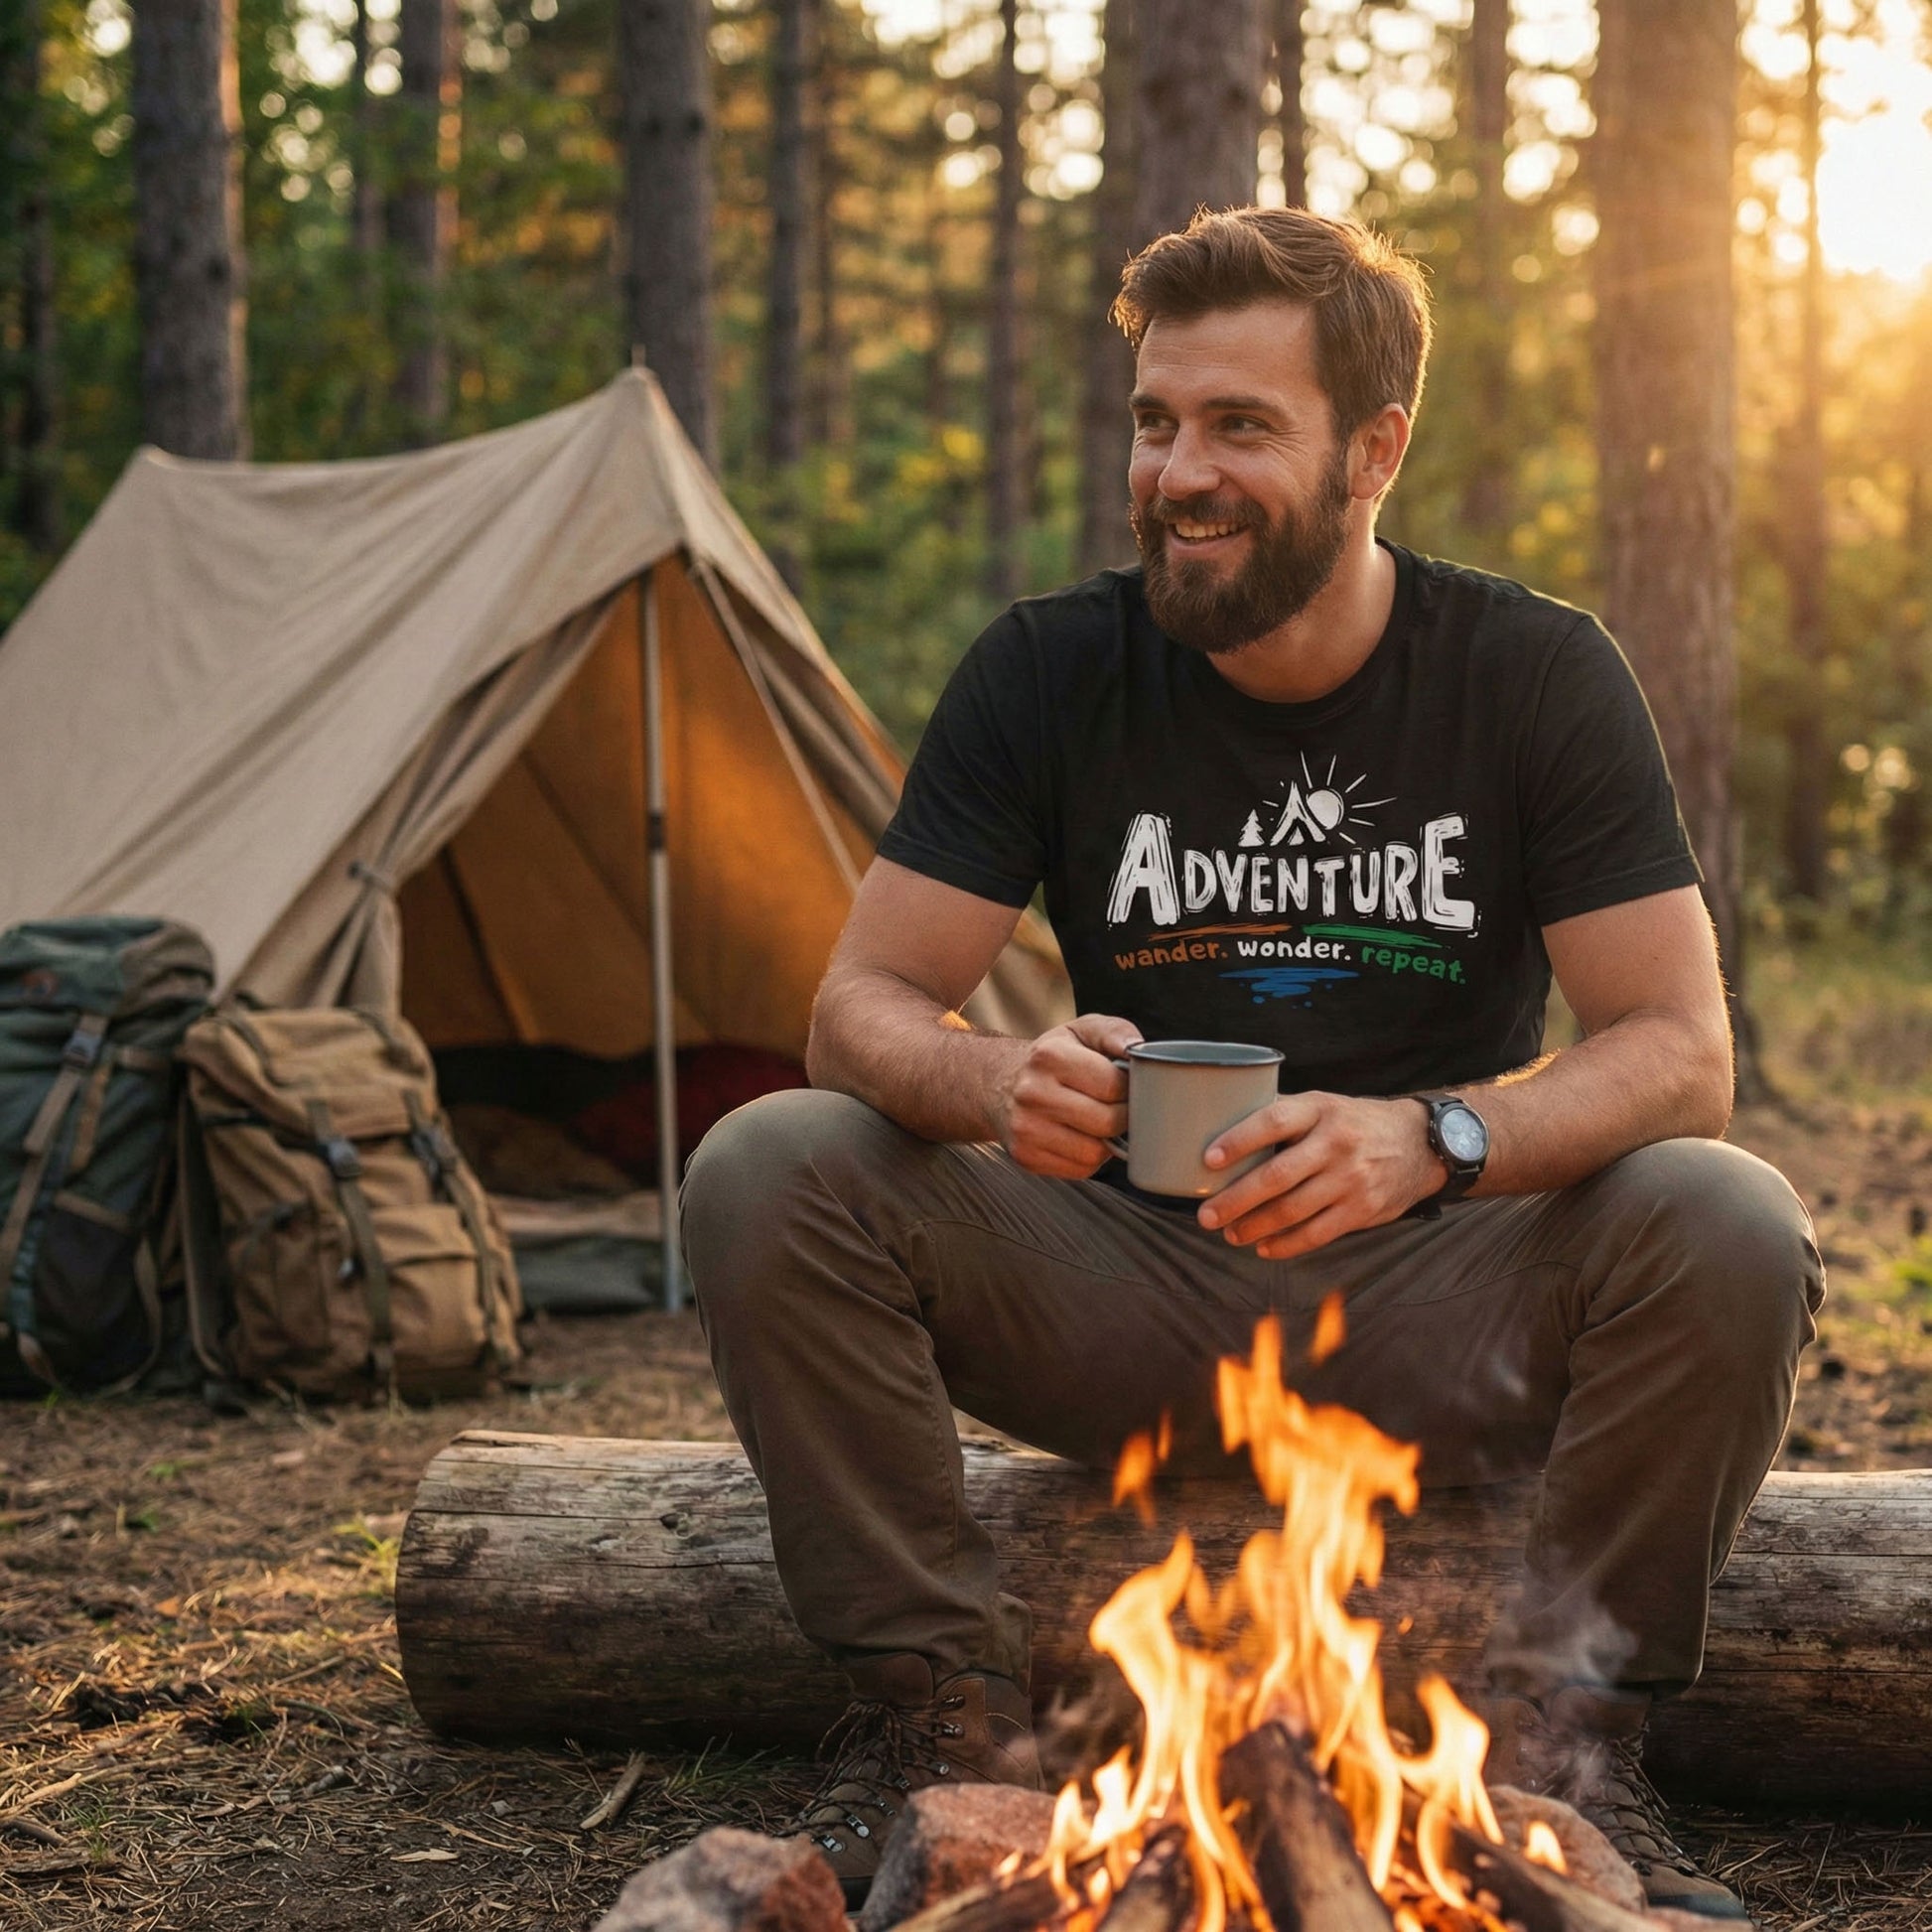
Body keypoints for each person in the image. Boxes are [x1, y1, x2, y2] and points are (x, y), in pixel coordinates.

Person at [682, 207, 1821, 1923]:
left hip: (1433, 1296)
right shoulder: (1049, 671)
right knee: (767, 1164)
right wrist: (999, 1083)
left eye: (1236, 427)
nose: (1177, 473)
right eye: (1154, 422)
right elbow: (862, 1003)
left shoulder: (1530, 673)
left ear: (1374, 449)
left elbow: (1678, 1049)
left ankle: (1567, 1767)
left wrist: (1430, 1135)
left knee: (1724, 1217)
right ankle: (931, 1717)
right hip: (1120, 1275)